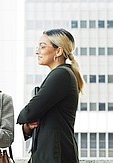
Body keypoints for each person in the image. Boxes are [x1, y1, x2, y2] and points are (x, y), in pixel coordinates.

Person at [17, 28, 84, 163]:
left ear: (58, 51)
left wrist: (25, 117)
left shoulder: (61, 74)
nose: (37, 51)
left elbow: (29, 112)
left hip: (56, 155)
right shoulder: (61, 74)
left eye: (42, 47)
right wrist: (27, 126)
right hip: (51, 153)